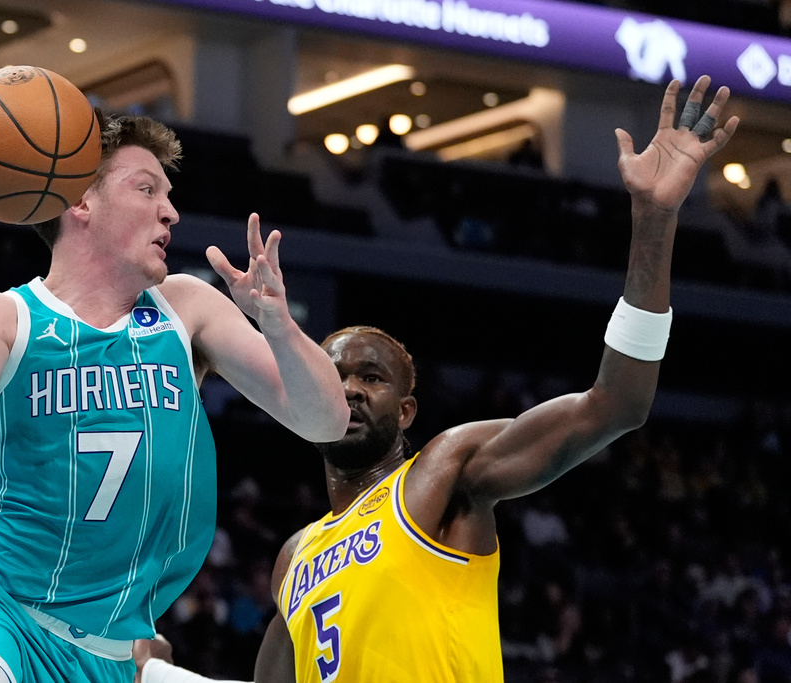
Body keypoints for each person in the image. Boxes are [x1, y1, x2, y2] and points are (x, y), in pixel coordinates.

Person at [136, 75, 739, 683]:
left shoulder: (444, 471)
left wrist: (655, 220)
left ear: (405, 412)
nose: (347, 387)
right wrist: (148, 672)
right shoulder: (295, 556)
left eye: (371, 378)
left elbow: (615, 404)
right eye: (335, 372)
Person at [0, 95, 349, 683]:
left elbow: (326, 422)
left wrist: (279, 326)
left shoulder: (185, 309)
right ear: (80, 199)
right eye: (147, 189)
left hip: (109, 649)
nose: (170, 213)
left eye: (170, 195)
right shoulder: (8, 319)